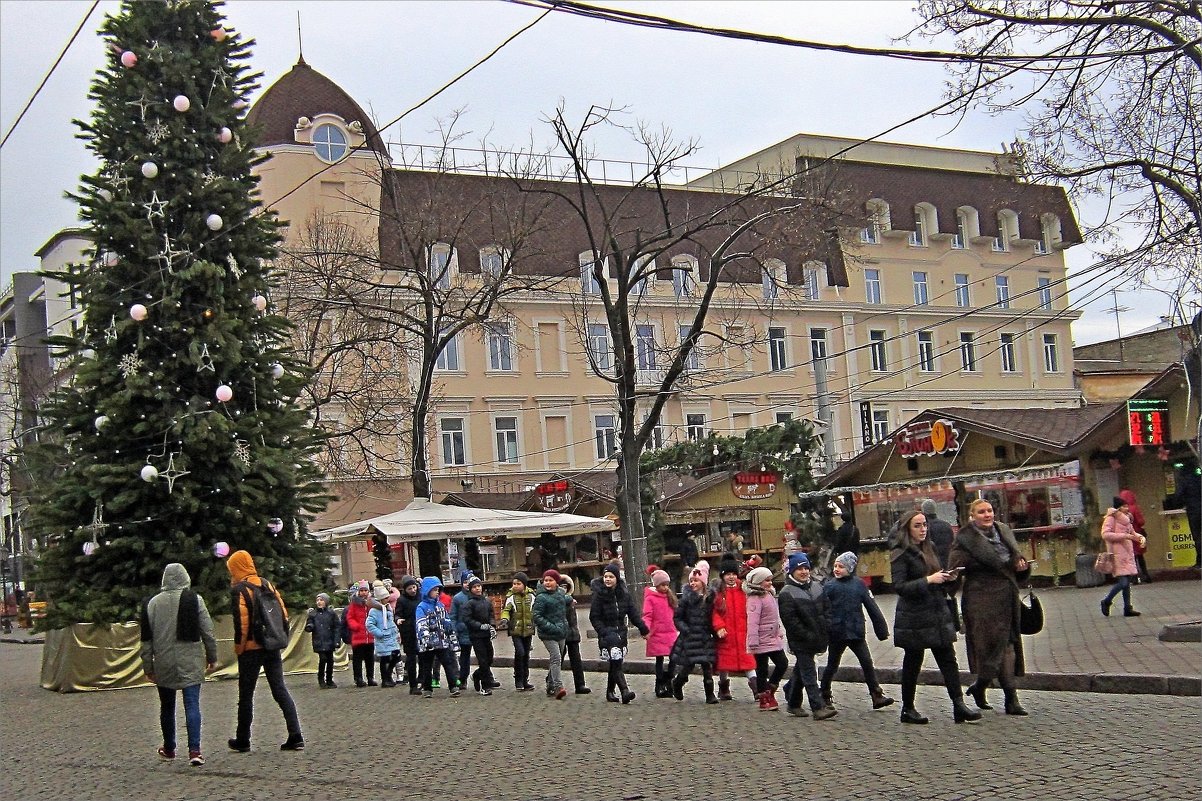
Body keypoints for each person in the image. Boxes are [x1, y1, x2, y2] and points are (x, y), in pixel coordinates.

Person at [890, 510, 979, 725]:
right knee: (913, 661)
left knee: (948, 659)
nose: (923, 530)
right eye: (917, 526)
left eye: (924, 525)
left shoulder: (930, 548)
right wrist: (929, 580)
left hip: (937, 611)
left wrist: (949, 578)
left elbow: (938, 579)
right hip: (914, 615)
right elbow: (900, 586)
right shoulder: (900, 553)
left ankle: (959, 705)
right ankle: (908, 708)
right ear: (907, 529)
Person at [948, 498, 1030, 717]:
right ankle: (982, 686)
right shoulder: (965, 538)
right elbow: (954, 566)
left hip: (1007, 597)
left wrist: (1021, 566)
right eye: (981, 512)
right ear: (972, 516)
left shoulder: (1003, 530)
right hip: (981, 600)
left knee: (1008, 645)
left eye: (990, 510)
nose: (987, 515)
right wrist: (973, 562)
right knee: (989, 647)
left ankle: (1010, 699)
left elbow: (1015, 557)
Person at [225, 550, 304, 752]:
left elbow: (241, 625)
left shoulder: (240, 590)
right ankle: (296, 734)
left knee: (246, 695)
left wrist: (239, 648)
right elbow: (283, 613)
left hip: (251, 648)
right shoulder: (266, 583)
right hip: (271, 644)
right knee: (279, 689)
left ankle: (243, 739)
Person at [140, 563, 217, 766]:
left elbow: (146, 640)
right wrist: (212, 656)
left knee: (167, 707)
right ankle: (195, 751)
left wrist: (148, 667)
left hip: (164, 662)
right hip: (190, 660)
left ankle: (169, 748)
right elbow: (207, 631)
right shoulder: (195, 600)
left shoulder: (153, 604)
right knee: (192, 704)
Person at [819, 551, 893, 711]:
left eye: (841, 566)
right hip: (837, 632)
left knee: (867, 662)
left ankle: (876, 694)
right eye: (835, 566)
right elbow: (823, 609)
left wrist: (881, 629)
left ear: (850, 568)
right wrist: (825, 628)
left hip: (856, 631)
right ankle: (824, 692)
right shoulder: (829, 586)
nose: (837, 569)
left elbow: (871, 606)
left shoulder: (859, 584)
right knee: (833, 663)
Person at [778, 552, 836, 720]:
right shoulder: (787, 593)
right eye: (799, 569)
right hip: (801, 641)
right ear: (792, 572)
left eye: (806, 568)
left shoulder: (817, 587)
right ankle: (818, 707)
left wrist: (826, 627)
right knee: (809, 674)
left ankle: (793, 702)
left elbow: (827, 609)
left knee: (801, 671)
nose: (803, 572)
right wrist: (807, 635)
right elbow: (790, 621)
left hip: (818, 636)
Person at [589, 562, 649, 704]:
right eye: (605, 576)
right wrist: (602, 631)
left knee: (616, 663)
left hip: (620, 633)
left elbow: (633, 614)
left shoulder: (624, 595)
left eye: (611, 576)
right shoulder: (599, 596)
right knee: (616, 661)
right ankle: (624, 691)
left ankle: (610, 691)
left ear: (617, 578)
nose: (607, 579)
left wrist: (644, 629)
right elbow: (594, 617)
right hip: (607, 634)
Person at [670, 560, 719, 704]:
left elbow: (712, 617)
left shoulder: (709, 599)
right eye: (691, 581)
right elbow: (677, 617)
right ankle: (678, 683)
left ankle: (710, 694)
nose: (693, 583)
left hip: (704, 637)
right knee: (688, 665)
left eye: (696, 580)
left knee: (706, 666)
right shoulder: (686, 599)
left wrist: (714, 632)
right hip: (690, 637)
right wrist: (685, 629)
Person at [711, 554, 755, 701]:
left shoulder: (743, 590)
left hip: (743, 633)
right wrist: (719, 627)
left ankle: (756, 688)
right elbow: (715, 613)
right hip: (726, 634)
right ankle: (724, 687)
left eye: (733, 574)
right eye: (728, 574)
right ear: (723, 576)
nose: (731, 577)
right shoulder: (719, 593)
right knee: (724, 663)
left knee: (749, 662)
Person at [743, 565, 788, 711]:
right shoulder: (755, 599)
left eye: (770, 580)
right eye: (766, 581)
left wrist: (778, 632)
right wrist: (753, 641)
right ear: (758, 582)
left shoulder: (769, 594)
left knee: (782, 663)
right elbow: (752, 621)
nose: (770, 583)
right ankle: (764, 697)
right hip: (760, 640)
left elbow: (774, 618)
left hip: (772, 637)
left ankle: (770, 689)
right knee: (761, 669)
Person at [414, 576, 461, 698]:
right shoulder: (422, 607)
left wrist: (450, 633)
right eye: (434, 590)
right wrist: (425, 638)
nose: (437, 592)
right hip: (428, 643)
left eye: (438, 589)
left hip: (441, 641)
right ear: (427, 591)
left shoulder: (440, 605)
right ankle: (427, 688)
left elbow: (446, 620)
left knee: (448, 663)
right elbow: (421, 623)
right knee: (427, 666)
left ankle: (453, 686)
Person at [1100, 497, 1146, 618]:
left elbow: (1132, 534)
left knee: (1127, 582)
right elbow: (1105, 534)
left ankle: (1127, 608)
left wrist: (1140, 538)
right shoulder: (1111, 518)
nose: (1127, 508)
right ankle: (1106, 601)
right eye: (1124, 506)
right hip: (1117, 554)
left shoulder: (1127, 519)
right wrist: (1125, 536)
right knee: (1124, 582)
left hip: (1127, 554)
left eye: (1127, 506)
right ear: (1119, 507)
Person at [532, 569, 572, 699]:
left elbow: (564, 599)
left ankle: (550, 683)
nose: (548, 583)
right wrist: (549, 626)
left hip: (561, 631)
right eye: (546, 580)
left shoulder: (560, 593)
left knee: (558, 658)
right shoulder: (541, 597)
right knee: (556, 657)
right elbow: (537, 616)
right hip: (548, 633)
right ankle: (558, 686)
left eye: (551, 580)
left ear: (557, 582)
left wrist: (571, 599)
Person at [642, 566, 679, 698]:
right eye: (662, 585)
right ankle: (659, 684)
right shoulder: (650, 598)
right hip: (657, 633)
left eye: (667, 585)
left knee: (673, 658)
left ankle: (669, 680)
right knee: (659, 659)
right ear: (656, 585)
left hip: (670, 632)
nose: (665, 587)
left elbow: (676, 614)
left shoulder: (670, 597)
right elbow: (647, 615)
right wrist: (645, 628)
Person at [461, 575, 498, 695]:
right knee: (482, 660)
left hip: (486, 635)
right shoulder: (469, 604)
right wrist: (478, 625)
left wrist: (492, 625)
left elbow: (491, 615)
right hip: (476, 636)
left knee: (489, 658)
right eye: (475, 587)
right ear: (471, 589)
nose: (477, 589)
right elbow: (467, 619)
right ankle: (485, 686)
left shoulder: (486, 601)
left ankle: (477, 675)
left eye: (479, 586)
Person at [500, 572, 536, 691]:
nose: (515, 586)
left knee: (526, 654)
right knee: (520, 652)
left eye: (518, 583)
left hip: (528, 629)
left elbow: (536, 610)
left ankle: (525, 680)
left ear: (524, 585)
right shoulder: (511, 597)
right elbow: (506, 609)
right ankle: (518, 680)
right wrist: (505, 619)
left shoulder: (531, 596)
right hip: (515, 629)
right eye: (514, 583)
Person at [559, 575, 591, 695]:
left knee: (576, 659)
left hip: (572, 633)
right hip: (561, 633)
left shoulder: (571, 600)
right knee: (558, 659)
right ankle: (551, 680)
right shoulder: (558, 600)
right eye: (561, 587)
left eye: (565, 587)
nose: (563, 590)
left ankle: (580, 684)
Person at [366, 581, 400, 687]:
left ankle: (388, 675)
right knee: (384, 659)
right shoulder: (374, 611)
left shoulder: (388, 608)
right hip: (383, 638)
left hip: (391, 637)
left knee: (396, 657)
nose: (387, 600)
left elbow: (391, 622)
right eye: (385, 598)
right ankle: (385, 679)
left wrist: (396, 632)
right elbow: (369, 624)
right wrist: (379, 633)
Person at [341, 580, 376, 687]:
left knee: (370, 659)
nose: (364, 592)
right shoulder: (354, 604)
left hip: (369, 636)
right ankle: (358, 678)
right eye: (362, 590)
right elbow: (350, 617)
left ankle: (370, 677)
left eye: (365, 590)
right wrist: (355, 626)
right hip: (358, 636)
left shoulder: (372, 603)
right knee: (357, 659)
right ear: (358, 592)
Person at [304, 592, 340, 689]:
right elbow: (310, 622)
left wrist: (336, 640)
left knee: (330, 660)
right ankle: (321, 679)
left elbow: (337, 627)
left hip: (329, 641)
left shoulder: (331, 613)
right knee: (323, 659)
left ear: (326, 602)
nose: (319, 602)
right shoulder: (313, 614)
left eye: (321, 600)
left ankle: (329, 679)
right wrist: (309, 626)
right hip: (319, 641)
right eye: (317, 600)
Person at [450, 570, 478, 691]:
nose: (467, 584)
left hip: (477, 631)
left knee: (483, 656)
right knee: (465, 657)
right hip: (464, 632)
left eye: (469, 582)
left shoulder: (478, 597)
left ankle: (486, 676)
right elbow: (453, 616)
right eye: (465, 582)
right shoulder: (457, 598)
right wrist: (455, 630)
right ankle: (463, 678)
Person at [395, 575, 421, 694]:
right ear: (405, 590)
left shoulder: (420, 597)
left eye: (414, 587)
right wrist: (398, 620)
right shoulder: (402, 600)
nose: (413, 590)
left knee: (424, 658)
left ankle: (423, 680)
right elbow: (398, 614)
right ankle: (413, 685)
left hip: (421, 632)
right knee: (411, 660)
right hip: (409, 633)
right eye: (410, 588)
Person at [1119, 489, 1152, 583]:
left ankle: (1134, 578)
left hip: (1127, 536)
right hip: (1136, 535)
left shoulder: (1120, 510)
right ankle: (1146, 576)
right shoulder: (1134, 508)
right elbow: (1141, 521)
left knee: (1131, 558)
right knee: (1140, 557)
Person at [920, 499, 955, 568]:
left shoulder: (924, 528)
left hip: (932, 566)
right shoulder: (946, 525)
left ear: (923, 510)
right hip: (947, 563)